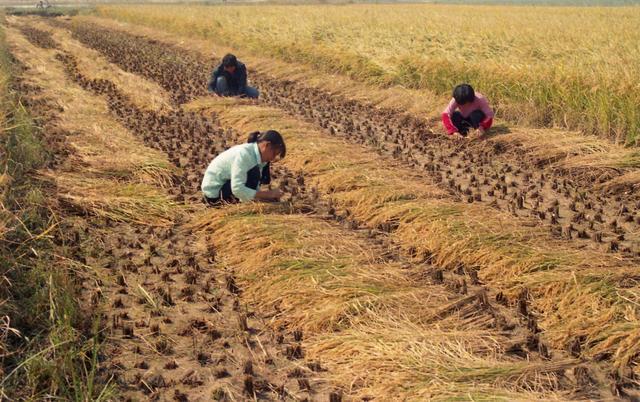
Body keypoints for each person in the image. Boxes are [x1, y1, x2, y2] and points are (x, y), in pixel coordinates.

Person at [201, 130, 285, 205]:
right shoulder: (245, 155)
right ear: (267, 146)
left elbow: (254, 185)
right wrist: (268, 194)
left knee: (253, 175)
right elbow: (237, 189)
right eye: (274, 153)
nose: (273, 158)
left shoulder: (257, 157)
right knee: (252, 173)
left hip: (225, 187)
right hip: (214, 196)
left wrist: (264, 198)